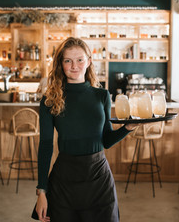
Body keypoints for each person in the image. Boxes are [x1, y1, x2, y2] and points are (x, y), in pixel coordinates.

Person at [34, 37, 138, 222]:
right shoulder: (49, 99)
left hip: (99, 179)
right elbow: (45, 145)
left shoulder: (102, 96)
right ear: (61, 64)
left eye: (80, 59)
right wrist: (41, 191)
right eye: (68, 60)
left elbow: (106, 140)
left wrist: (127, 128)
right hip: (64, 181)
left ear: (89, 61)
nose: (74, 66)